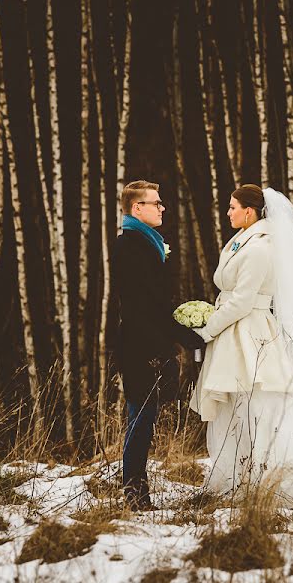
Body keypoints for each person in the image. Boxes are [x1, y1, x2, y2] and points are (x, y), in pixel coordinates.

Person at [189, 184, 293, 507]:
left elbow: (242, 301)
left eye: (233, 207)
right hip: (235, 333)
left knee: (262, 405)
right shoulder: (241, 242)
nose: (228, 212)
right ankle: (242, 477)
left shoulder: (261, 247)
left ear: (249, 211)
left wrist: (206, 329)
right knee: (239, 408)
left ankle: (281, 478)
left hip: (252, 334)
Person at [111, 180, 205, 510]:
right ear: (137, 208)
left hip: (149, 342)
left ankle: (137, 493)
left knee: (143, 419)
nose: (162, 207)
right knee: (140, 420)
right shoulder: (130, 247)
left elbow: (157, 302)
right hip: (141, 346)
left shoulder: (146, 243)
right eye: (156, 202)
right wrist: (181, 339)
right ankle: (135, 496)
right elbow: (144, 306)